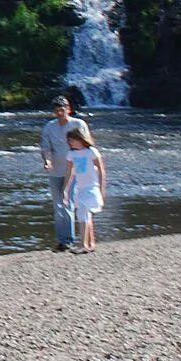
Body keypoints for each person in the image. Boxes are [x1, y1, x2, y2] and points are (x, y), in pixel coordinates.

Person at [39, 96, 85, 251]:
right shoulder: (49, 127)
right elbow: (45, 147)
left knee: (67, 204)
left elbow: (86, 147)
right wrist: (47, 161)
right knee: (58, 207)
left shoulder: (78, 124)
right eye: (57, 110)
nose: (59, 113)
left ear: (69, 109)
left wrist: (83, 171)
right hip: (55, 172)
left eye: (62, 110)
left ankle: (69, 240)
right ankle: (61, 240)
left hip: (73, 172)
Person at [63, 123, 107, 253]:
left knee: (82, 213)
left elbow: (101, 170)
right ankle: (89, 244)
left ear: (80, 138)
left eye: (72, 140)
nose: (70, 143)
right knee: (84, 214)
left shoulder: (91, 152)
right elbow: (69, 172)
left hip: (92, 187)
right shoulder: (71, 154)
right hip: (80, 188)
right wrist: (65, 190)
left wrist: (101, 188)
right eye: (69, 141)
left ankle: (83, 244)